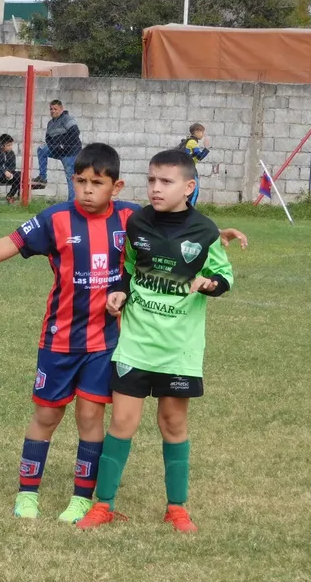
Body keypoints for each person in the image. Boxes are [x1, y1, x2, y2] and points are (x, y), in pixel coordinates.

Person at [0, 144, 247, 524]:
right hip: (60, 338)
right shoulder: (58, 218)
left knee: (92, 416)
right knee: (47, 415)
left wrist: (214, 233)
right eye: (80, 181)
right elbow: (9, 243)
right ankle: (27, 492)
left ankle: (83, 499)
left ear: (116, 187)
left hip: (105, 343)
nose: (87, 190)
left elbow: (178, 223)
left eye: (97, 183)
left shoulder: (129, 217)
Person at [77, 150, 236, 533]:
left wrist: (210, 284)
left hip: (179, 349)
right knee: (122, 422)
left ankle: (176, 508)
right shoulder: (138, 223)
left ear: (189, 187)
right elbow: (130, 269)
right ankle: (103, 505)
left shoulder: (205, 231)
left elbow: (224, 277)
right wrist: (119, 291)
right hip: (136, 343)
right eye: (151, 180)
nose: (156, 188)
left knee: (173, 423)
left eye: (166, 181)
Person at [33, 100, 83, 202]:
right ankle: (42, 177)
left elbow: (75, 132)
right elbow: (48, 138)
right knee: (41, 149)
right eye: (51, 109)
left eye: (55, 109)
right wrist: (55, 147)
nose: (53, 111)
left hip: (70, 152)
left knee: (70, 177)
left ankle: (71, 201)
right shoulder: (50, 123)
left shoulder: (67, 119)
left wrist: (63, 145)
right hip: (57, 150)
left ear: (61, 109)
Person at [179, 122, 210, 206]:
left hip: (187, 169)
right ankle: (191, 210)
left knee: (188, 191)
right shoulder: (193, 142)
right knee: (194, 191)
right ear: (196, 132)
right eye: (202, 132)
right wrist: (206, 147)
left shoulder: (189, 141)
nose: (203, 135)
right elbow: (200, 156)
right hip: (190, 170)